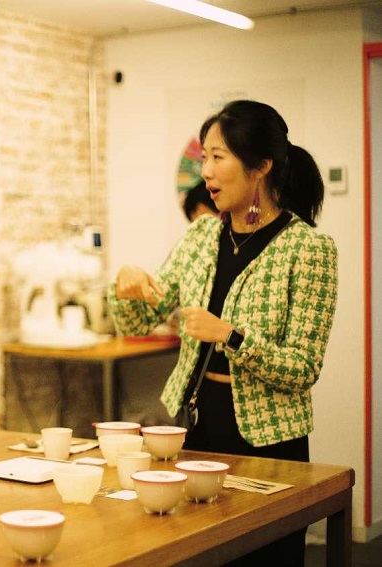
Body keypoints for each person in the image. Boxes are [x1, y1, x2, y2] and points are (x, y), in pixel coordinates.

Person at [108, 100, 337, 565]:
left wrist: (229, 336)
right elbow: (138, 321)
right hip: (198, 423)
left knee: (266, 556)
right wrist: (127, 287)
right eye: (204, 157)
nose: (206, 171)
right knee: (199, 550)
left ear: (260, 167)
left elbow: (303, 368)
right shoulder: (200, 237)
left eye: (218, 157)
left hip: (270, 440)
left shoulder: (309, 249)